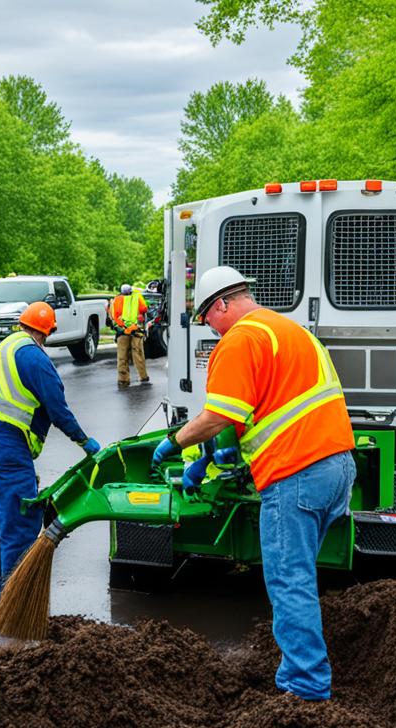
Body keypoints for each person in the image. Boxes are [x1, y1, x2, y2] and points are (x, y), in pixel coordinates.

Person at [151, 266, 355, 701]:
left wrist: (176, 441)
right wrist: (210, 457)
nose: (207, 325)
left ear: (223, 304)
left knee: (289, 581)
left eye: (206, 315)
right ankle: (295, 673)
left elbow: (218, 415)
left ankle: (306, 692)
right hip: (336, 467)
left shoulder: (240, 338)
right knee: (298, 577)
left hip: (295, 474)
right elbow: (252, 411)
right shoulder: (289, 330)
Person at [0, 301, 102, 607]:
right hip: (6, 451)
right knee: (19, 531)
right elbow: (57, 408)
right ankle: (16, 612)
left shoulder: (6, 346)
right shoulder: (34, 357)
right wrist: (84, 441)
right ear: (48, 330)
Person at [110, 283, 149, 387]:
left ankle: (123, 380)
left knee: (122, 356)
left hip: (122, 331)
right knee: (138, 354)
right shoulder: (137, 297)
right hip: (136, 330)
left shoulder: (116, 300)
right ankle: (143, 376)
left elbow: (114, 316)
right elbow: (144, 309)